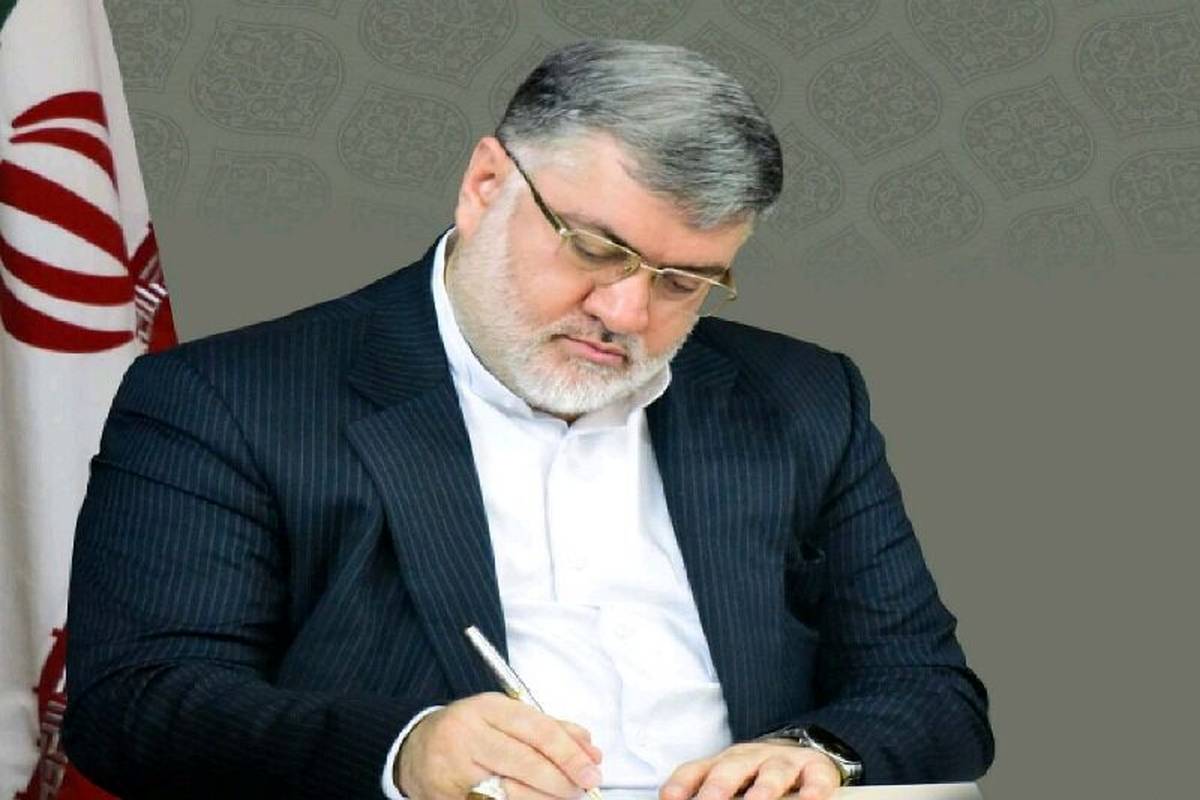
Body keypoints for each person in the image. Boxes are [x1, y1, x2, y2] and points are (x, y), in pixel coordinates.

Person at [63, 40, 993, 800]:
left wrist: (816, 755)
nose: (626, 312)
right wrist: (407, 753)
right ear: (484, 185)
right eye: (595, 248)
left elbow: (930, 693)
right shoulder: (228, 398)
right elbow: (137, 705)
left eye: (682, 282)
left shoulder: (804, 397)